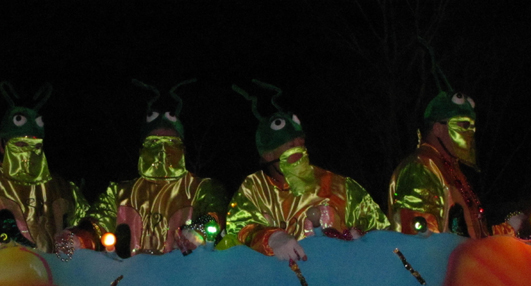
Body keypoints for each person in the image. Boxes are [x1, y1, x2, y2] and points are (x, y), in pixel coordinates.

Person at [221, 81, 390, 261]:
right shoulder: (254, 190)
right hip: (286, 282)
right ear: (269, 155)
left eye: (301, 143)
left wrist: (361, 240)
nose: (299, 152)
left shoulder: (339, 185)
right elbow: (240, 228)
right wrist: (271, 237)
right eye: (291, 146)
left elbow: (378, 228)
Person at [0, 83, 88, 267]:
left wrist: (79, 238)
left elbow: (88, 221)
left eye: (36, 147)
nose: (28, 154)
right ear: (2, 145)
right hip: (1, 280)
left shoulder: (63, 188)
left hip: (55, 280)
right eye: (19, 146)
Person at [85, 80, 226, 257]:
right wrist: (78, 237)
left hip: (183, 278)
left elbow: (214, 212)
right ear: (142, 148)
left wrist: (198, 231)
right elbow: (97, 221)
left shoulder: (201, 188)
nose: (163, 150)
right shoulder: (119, 192)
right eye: (154, 142)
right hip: (131, 277)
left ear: (182, 148)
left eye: (171, 143)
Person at [388, 90, 489, 237]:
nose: (471, 132)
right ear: (438, 128)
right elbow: (420, 239)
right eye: (464, 125)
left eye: (473, 126)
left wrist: (508, 229)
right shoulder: (420, 169)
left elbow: (474, 236)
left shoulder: (452, 169)